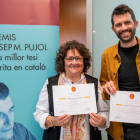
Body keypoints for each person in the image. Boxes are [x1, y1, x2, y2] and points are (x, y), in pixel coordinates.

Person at [34, 40, 109, 140]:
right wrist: (55, 121)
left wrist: (102, 120)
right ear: (63, 61)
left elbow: (104, 112)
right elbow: (40, 113)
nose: (74, 62)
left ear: (84, 61)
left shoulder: (94, 83)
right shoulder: (51, 83)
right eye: (70, 59)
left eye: (78, 58)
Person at [100, 4, 140, 140]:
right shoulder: (107, 54)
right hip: (118, 129)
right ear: (113, 29)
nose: (123, 28)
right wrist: (105, 87)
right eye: (118, 25)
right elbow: (103, 88)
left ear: (135, 24)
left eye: (127, 22)